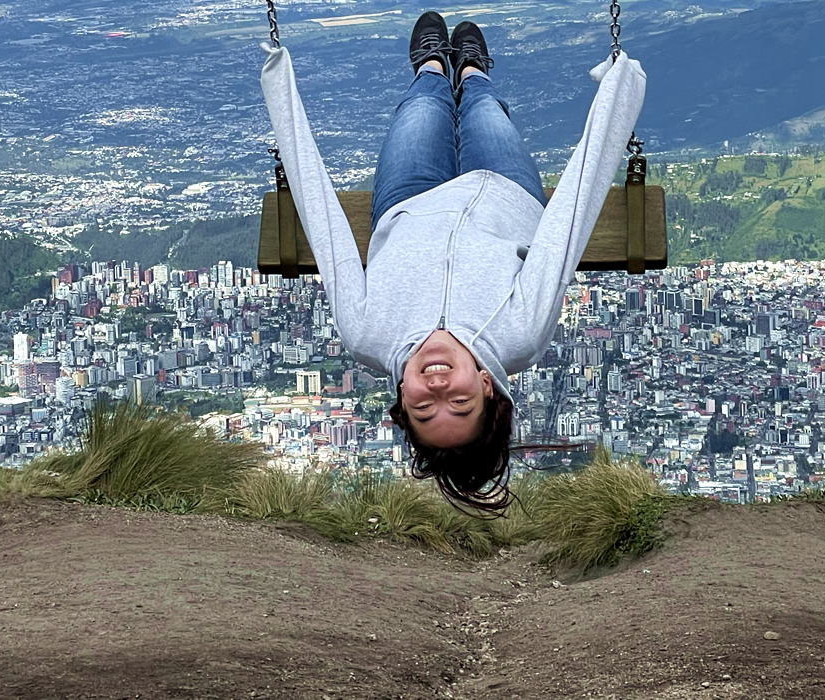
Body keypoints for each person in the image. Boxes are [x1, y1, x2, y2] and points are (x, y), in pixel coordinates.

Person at [260, 12, 646, 513]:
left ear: (402, 396)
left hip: (407, 200)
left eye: (423, 406)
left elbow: (328, 234)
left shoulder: (368, 333)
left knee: (422, 106)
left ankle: (434, 68)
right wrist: (618, 97)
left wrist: (279, 86)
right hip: (504, 189)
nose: (438, 388)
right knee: (485, 109)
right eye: (459, 403)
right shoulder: (518, 334)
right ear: (488, 386)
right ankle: (472, 72)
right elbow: (564, 229)